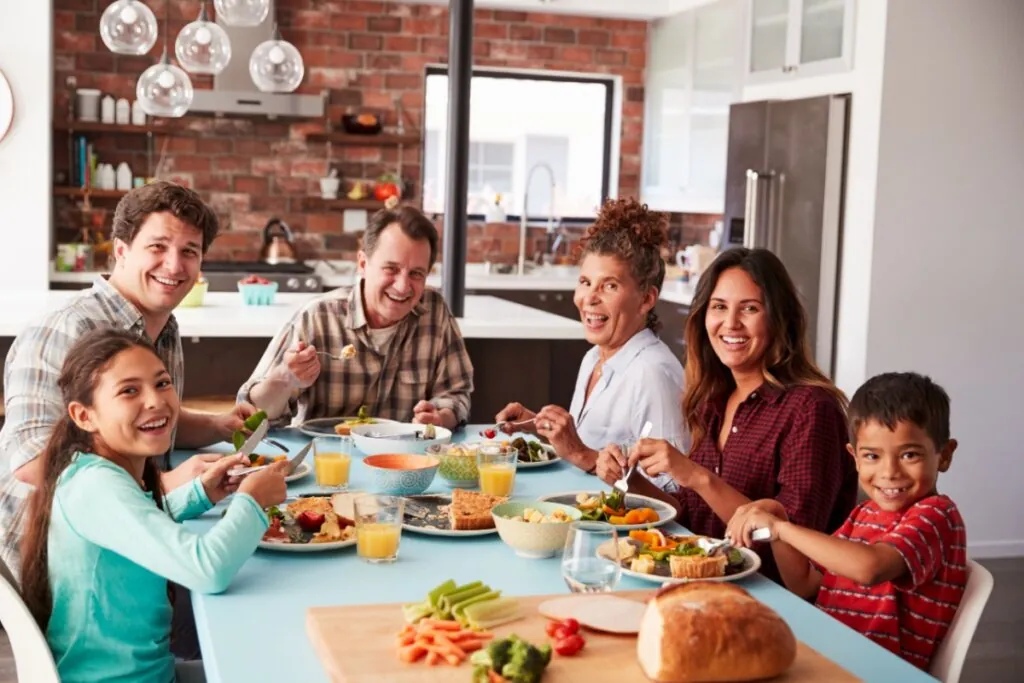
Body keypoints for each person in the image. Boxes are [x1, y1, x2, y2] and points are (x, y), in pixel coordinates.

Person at [0, 181, 258, 656]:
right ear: (121, 249)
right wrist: (165, 486)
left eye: (190, 252)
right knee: (242, 614)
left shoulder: (162, 326)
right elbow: (30, 461)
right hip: (62, 580)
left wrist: (218, 427)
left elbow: (152, 422)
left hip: (124, 542)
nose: (174, 265)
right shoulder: (66, 328)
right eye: (157, 247)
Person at [18, 328, 287, 683]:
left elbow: (134, 527)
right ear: (84, 416)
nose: (156, 401)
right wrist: (252, 499)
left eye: (162, 383)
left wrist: (201, 493)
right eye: (129, 391)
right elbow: (207, 570)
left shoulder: (93, 472)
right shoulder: (97, 485)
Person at [596, 247, 858, 582]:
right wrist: (631, 481)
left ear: (780, 319)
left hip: (774, 601)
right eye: (719, 307)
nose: (730, 323)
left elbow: (795, 552)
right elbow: (695, 517)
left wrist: (697, 476)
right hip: (708, 581)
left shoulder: (811, 409)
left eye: (749, 308)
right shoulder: (713, 399)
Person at [726, 372, 966, 671]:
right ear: (854, 457)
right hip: (830, 654)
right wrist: (778, 522)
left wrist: (783, 529)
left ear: (944, 455)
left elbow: (870, 568)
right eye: (872, 456)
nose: (889, 471)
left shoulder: (936, 516)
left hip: (874, 671)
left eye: (909, 455)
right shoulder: (862, 514)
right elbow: (805, 583)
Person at [496, 197, 686, 491]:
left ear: (647, 299)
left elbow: (674, 493)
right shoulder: (594, 358)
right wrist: (538, 425)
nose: (590, 298)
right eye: (585, 282)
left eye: (610, 285)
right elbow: (593, 448)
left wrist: (580, 454)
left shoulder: (653, 374)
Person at [239, 204, 473, 431]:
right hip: (327, 460)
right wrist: (285, 377)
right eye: (391, 269)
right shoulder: (317, 317)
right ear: (363, 263)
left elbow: (456, 395)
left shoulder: (435, 312)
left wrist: (440, 418)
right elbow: (253, 414)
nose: (402, 287)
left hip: (405, 461)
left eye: (416, 273)